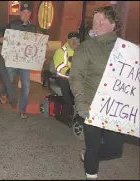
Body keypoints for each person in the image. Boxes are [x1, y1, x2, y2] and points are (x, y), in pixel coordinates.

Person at [69, 6, 123, 180]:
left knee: (115, 150)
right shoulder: (85, 48)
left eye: (102, 22)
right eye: (95, 22)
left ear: (113, 25)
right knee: (93, 146)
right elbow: (76, 76)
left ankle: (89, 157)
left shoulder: (124, 49)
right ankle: (91, 171)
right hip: (91, 103)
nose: (97, 25)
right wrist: (81, 102)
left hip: (115, 107)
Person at [0, 2, 36, 119]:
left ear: (30, 14)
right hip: (13, 59)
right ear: (20, 13)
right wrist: (2, 39)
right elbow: (3, 35)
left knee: (26, 85)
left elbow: (36, 44)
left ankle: (22, 109)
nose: (25, 14)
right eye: (23, 12)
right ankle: (4, 92)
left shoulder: (33, 28)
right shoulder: (12, 24)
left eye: (28, 12)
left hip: (25, 61)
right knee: (8, 80)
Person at [53, 32, 80, 124]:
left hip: (76, 79)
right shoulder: (61, 51)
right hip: (63, 78)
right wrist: (70, 71)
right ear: (68, 40)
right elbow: (59, 67)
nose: (75, 42)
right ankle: (68, 113)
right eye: (73, 40)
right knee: (68, 93)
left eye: (77, 40)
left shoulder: (80, 52)